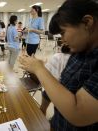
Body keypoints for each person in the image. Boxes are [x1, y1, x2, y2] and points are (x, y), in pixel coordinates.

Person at [19, 0, 98, 130]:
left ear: (87, 22)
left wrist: (39, 69)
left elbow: (78, 113)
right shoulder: (79, 51)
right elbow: (60, 85)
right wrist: (44, 108)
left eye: (63, 32)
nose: (62, 40)